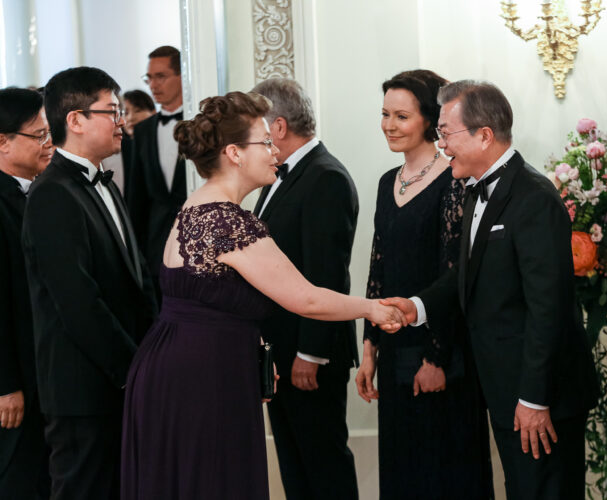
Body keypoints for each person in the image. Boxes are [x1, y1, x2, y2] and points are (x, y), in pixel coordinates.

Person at [120, 91, 404, 500]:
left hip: (178, 366)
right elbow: (304, 298)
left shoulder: (197, 207)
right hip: (202, 377)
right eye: (264, 142)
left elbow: (208, 300)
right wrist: (373, 308)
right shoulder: (227, 220)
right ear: (234, 152)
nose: (274, 151)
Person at [382, 80, 598, 500]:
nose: (441, 144)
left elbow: (547, 308)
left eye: (447, 133)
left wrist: (534, 399)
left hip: (540, 396)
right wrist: (417, 306)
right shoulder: (475, 190)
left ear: (484, 135)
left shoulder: (533, 198)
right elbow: (467, 274)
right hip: (503, 388)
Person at [354, 70, 493, 499]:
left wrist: (437, 358)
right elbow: (378, 266)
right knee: (404, 470)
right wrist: (369, 347)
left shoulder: (454, 180)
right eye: (384, 115)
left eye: (401, 116)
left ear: (430, 120)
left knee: (444, 472)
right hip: (393, 347)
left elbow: (456, 276)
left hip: (441, 353)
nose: (389, 125)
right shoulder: (384, 183)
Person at [22, 66, 157, 499]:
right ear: (75, 120)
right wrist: (132, 369)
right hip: (83, 391)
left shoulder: (104, 182)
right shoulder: (52, 193)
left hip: (119, 380)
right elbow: (78, 301)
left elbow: (136, 279)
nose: (122, 121)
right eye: (111, 111)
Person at [250, 77, 360, 500]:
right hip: (282, 350)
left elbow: (326, 274)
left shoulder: (325, 177)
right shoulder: (281, 176)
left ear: (278, 127)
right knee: (297, 468)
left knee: (323, 466)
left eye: (257, 124)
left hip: (308, 352)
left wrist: (310, 353)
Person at [0, 87, 53, 499]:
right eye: (38, 135)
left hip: (42, 370)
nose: (48, 143)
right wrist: (6, 385)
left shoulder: (38, 192)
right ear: (3, 142)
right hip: (13, 381)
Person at [127, 45, 187, 303]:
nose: (153, 84)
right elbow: (136, 196)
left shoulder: (203, 125)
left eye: (160, 76)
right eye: (149, 78)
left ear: (182, 75)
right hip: (155, 250)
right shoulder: (143, 131)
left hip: (199, 244)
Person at [102, 90, 156, 195]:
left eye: (138, 110)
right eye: (125, 113)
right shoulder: (115, 150)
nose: (130, 118)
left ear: (153, 112)